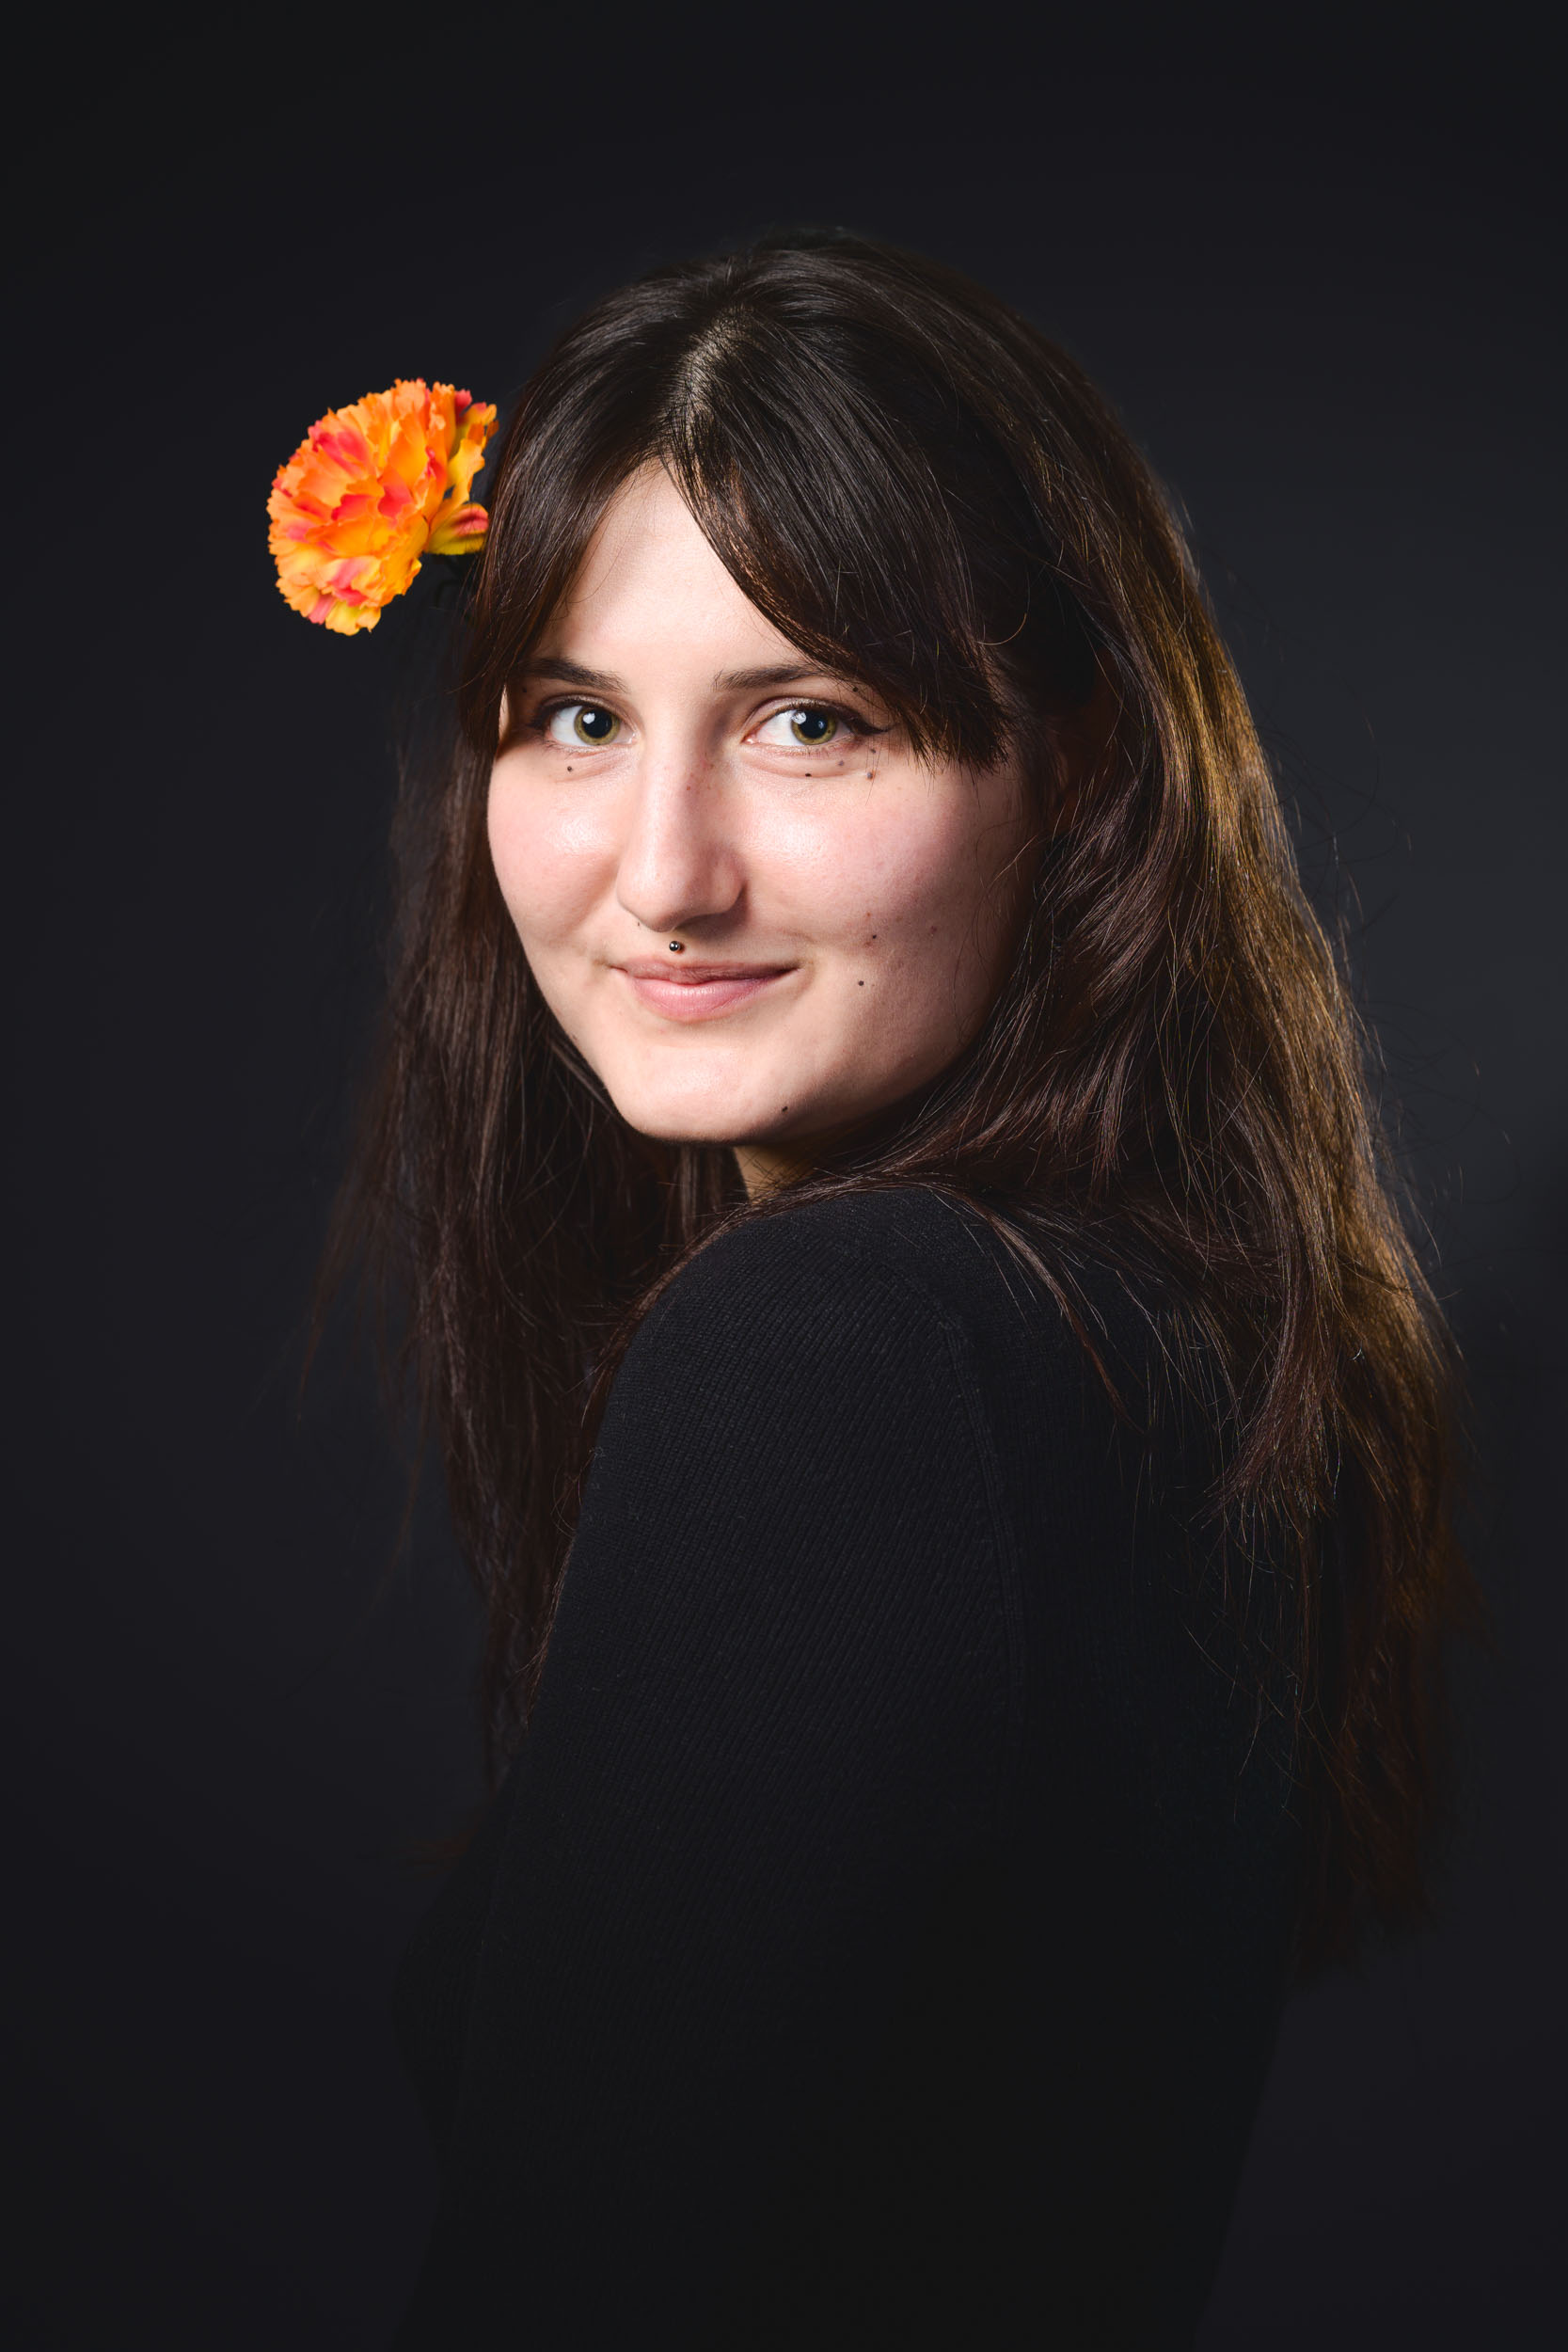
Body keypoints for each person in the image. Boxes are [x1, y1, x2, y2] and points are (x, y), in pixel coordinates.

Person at [326, 230, 1466, 2346]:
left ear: (1080, 770)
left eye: (810, 719)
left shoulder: (852, 1349)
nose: (663, 868)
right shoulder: (1150, 1348)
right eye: (576, 715)